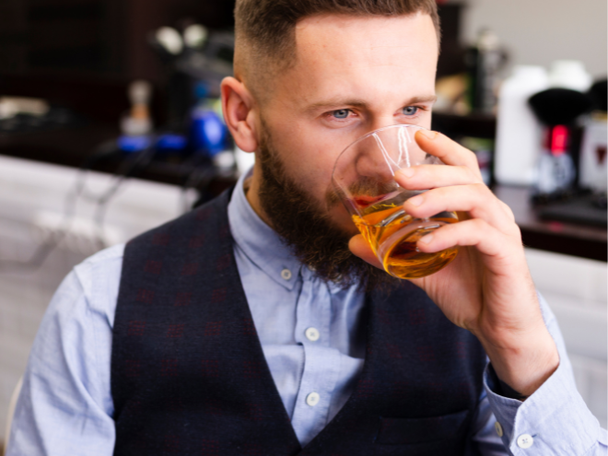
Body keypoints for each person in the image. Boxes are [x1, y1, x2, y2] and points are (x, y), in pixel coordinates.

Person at [6, 0, 607, 455]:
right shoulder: (99, 308)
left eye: (410, 110)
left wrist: (518, 348)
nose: (385, 162)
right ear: (243, 117)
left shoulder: (490, 301)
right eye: (342, 114)